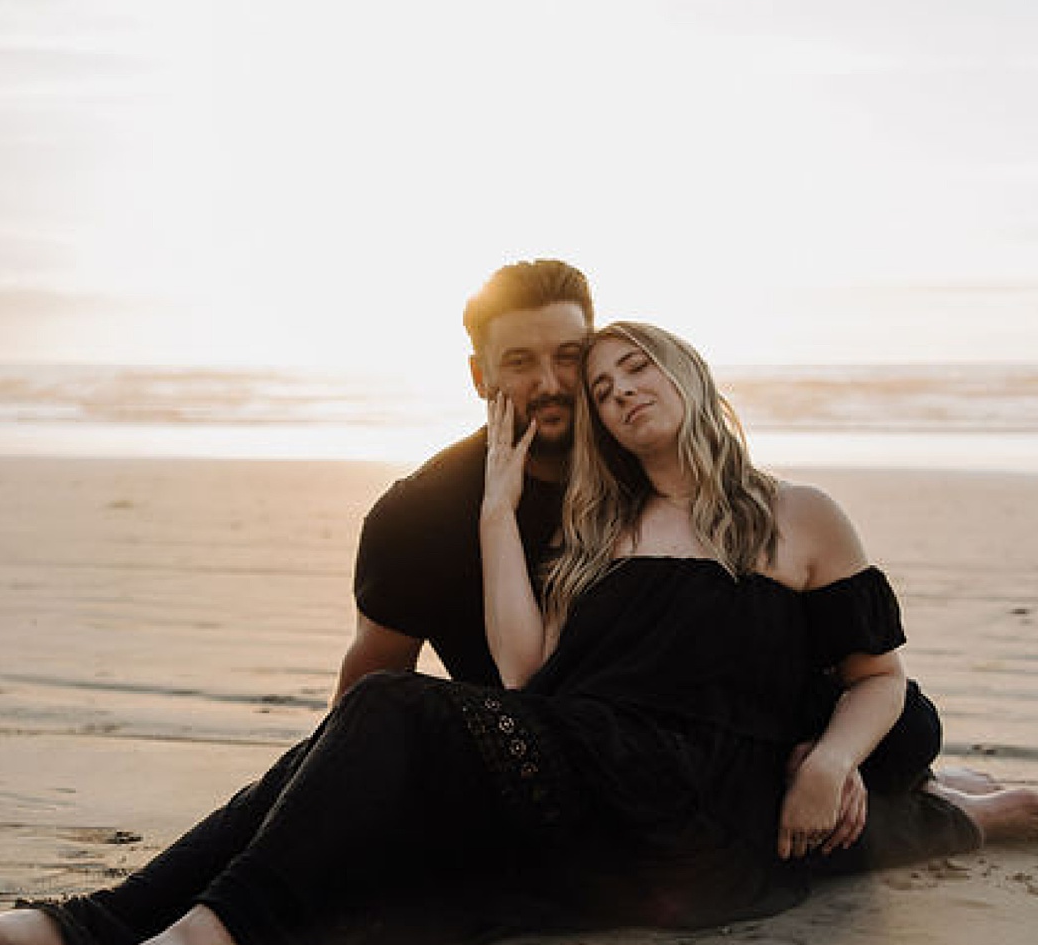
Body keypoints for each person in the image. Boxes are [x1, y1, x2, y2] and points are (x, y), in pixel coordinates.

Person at [0, 321, 1038, 945]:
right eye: (605, 388)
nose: (619, 395)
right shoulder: (598, 532)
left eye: (637, 371)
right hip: (599, 779)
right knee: (380, 711)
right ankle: (89, 931)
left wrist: (828, 761)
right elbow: (526, 673)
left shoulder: (797, 514)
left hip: (694, 799)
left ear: (690, 378)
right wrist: (489, 500)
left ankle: (220, 944)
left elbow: (875, 676)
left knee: (391, 712)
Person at [338, 258, 979, 866]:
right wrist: (327, 796)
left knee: (905, 726)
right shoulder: (444, 516)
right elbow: (419, 679)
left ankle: (934, 799)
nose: (555, 383)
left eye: (571, 358)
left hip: (741, 720)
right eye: (521, 363)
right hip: (571, 749)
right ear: (481, 376)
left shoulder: (693, 491)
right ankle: (950, 810)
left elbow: (847, 662)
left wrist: (833, 760)